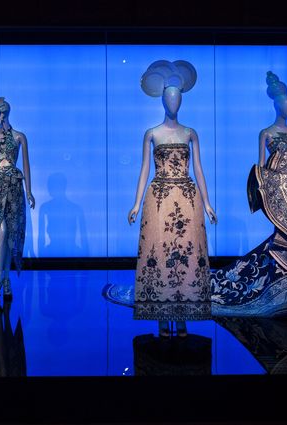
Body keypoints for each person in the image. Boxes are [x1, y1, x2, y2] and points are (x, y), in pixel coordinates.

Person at [210, 71, 287, 317]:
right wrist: (264, 192)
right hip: (279, 189)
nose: (286, 108)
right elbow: (260, 166)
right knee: (285, 238)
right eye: (283, 104)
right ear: (276, 105)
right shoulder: (266, 133)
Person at [129, 60, 216, 337]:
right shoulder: (151, 134)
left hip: (187, 198)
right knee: (160, 252)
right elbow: (144, 169)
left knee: (187, 254)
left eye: (177, 97)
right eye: (169, 97)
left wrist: (208, 202)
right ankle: (161, 317)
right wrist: (135, 202)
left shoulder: (190, 133)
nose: (173, 101)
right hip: (159, 198)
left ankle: (183, 316)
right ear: (162, 99)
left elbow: (199, 169)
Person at [0, 97, 35, 300]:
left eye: (1, 112)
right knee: (0, 231)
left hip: (13, 186)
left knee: (10, 234)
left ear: (6, 113)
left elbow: (27, 166)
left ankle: (4, 278)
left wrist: (29, 191)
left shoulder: (20, 137)